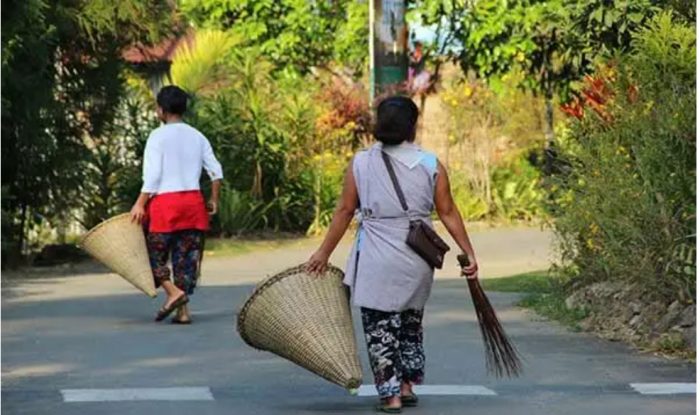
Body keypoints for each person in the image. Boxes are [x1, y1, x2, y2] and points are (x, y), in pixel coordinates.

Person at [306, 96, 479, 413]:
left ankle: (391, 395)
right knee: (410, 323)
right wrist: (468, 252)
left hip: (376, 255)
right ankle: (407, 385)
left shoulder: (360, 162)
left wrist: (323, 253)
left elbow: (345, 211)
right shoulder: (430, 163)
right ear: (413, 126)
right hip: (418, 256)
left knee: (379, 328)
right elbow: (448, 212)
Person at [130, 85, 223, 325]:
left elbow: (152, 176)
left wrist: (140, 203)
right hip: (193, 204)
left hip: (165, 207)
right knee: (186, 259)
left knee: (150, 255)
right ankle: (183, 312)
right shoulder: (197, 136)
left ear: (161, 110)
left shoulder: (157, 136)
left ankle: (173, 292)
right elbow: (215, 171)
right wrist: (214, 199)